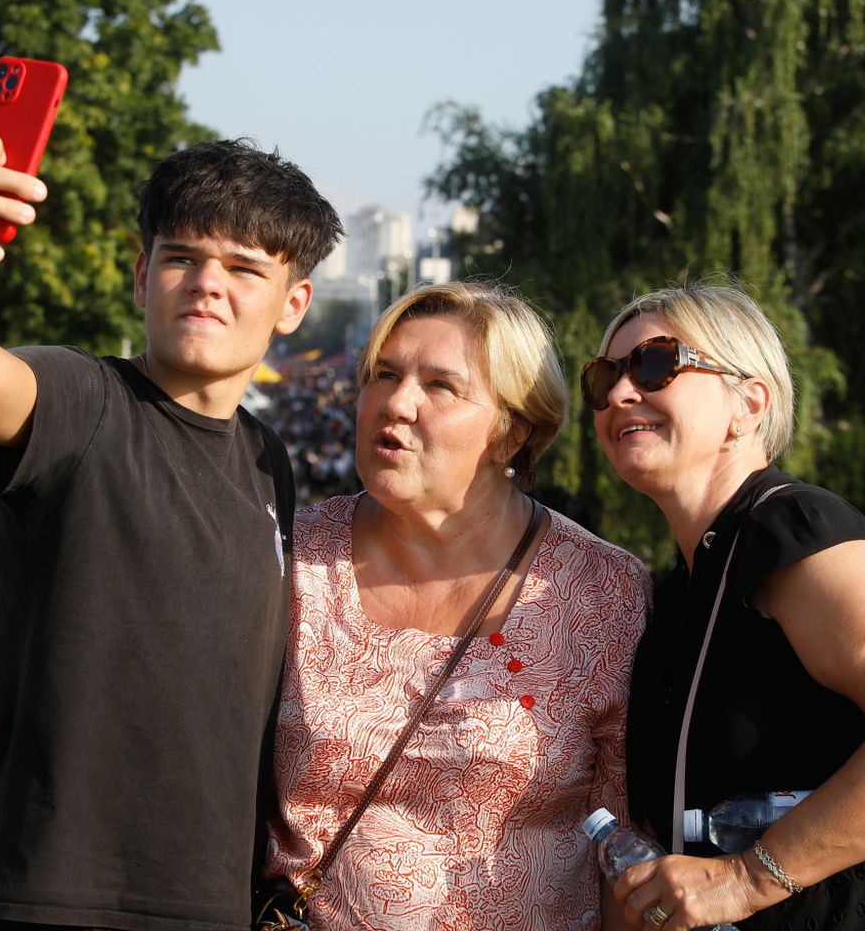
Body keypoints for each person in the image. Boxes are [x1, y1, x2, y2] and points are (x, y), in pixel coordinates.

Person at [0, 128, 341, 930]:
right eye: (183, 258)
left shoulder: (270, 461)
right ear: (143, 274)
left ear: (293, 304)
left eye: (244, 268)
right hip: (46, 897)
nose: (208, 284)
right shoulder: (81, 402)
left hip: (214, 906)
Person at [581, 280, 865, 929]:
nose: (622, 393)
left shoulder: (791, 528)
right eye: (603, 378)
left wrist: (745, 880)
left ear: (748, 403)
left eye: (655, 365)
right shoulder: (678, 590)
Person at [264, 280, 650, 928]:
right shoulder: (292, 560)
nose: (397, 402)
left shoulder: (602, 591)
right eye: (385, 375)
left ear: (511, 433)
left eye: (441, 386)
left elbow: (626, 841)